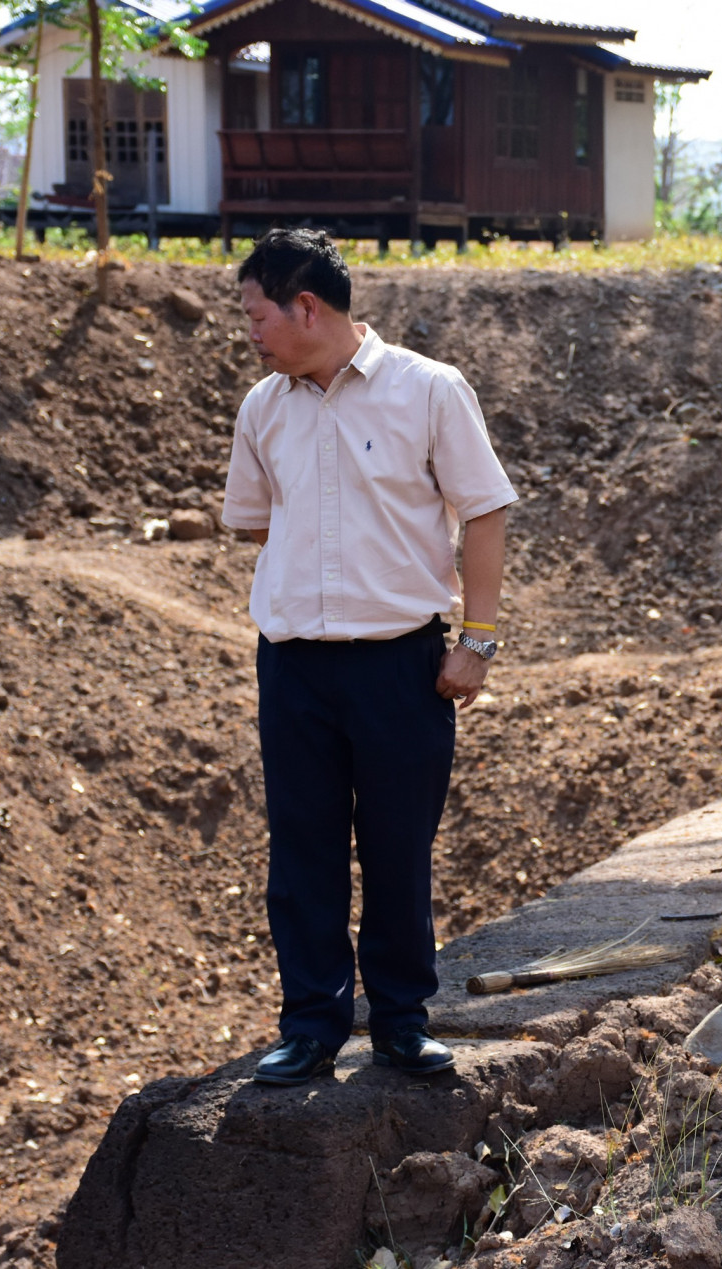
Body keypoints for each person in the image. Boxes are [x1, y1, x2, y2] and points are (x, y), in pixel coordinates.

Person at [220, 228, 517, 1085]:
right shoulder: (263, 408)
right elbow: (256, 520)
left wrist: (479, 640)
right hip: (295, 667)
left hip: (401, 666)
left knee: (396, 848)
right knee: (302, 850)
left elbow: (485, 511)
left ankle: (399, 1022)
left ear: (305, 306)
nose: (251, 333)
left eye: (256, 314)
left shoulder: (428, 391)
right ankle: (311, 1025)